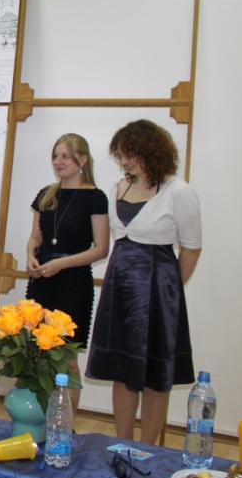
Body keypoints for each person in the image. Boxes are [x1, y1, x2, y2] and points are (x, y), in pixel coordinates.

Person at [86, 120, 201, 444]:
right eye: (121, 155)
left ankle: (149, 448)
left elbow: (192, 248)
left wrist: (170, 290)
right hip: (119, 288)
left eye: (129, 154)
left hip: (159, 292)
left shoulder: (179, 191)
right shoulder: (117, 189)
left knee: (155, 374)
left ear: (150, 151)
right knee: (122, 369)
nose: (124, 162)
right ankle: (122, 444)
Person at [24, 134, 109, 412]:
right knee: (37, 353)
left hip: (73, 285)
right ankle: (38, 419)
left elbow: (101, 249)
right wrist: (30, 257)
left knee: (67, 358)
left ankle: (65, 424)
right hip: (42, 283)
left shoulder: (95, 197)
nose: (58, 162)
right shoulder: (46, 194)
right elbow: (35, 238)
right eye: (55, 156)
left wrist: (62, 264)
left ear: (82, 160)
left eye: (65, 157)